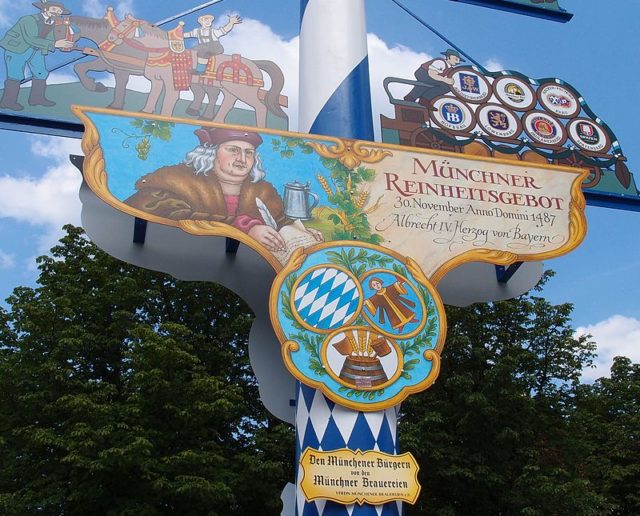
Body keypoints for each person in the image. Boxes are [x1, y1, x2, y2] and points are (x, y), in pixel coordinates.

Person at [125, 127, 321, 252]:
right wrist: (244, 229)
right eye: (233, 150)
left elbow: (277, 220)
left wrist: (298, 233)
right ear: (210, 152)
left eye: (249, 153)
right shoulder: (176, 179)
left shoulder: (263, 191)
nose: (242, 159)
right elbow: (165, 212)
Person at [0, 0, 74, 111]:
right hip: (17, 48)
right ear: (45, 9)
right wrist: (54, 44)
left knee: (41, 73)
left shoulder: (52, 23)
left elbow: (49, 38)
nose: (56, 12)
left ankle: (37, 99)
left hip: (37, 50)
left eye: (59, 11)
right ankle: (8, 102)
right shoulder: (28, 19)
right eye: (54, 9)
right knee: (15, 75)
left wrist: (59, 45)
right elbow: (30, 38)